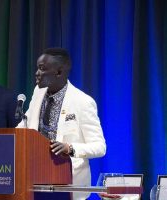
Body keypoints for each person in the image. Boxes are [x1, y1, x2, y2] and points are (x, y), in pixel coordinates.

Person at [16, 47, 106, 200]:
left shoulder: (83, 102)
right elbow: (26, 126)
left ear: (59, 72)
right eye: (37, 68)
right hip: (33, 181)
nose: (37, 73)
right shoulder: (38, 92)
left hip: (68, 186)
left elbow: (100, 147)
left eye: (42, 69)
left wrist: (69, 148)